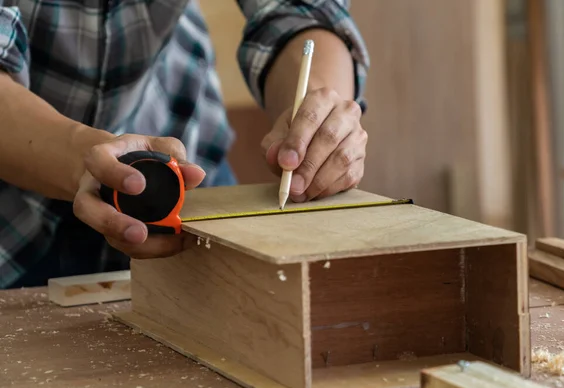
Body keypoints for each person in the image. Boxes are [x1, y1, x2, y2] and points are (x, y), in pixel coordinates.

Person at [0, 0, 370, 289]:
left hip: (184, 168)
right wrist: (87, 158)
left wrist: (318, 119)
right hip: (13, 214)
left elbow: (301, 11)